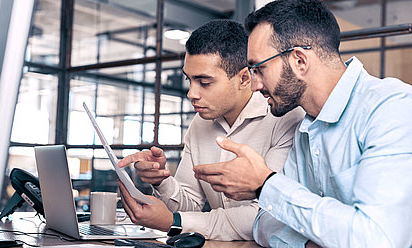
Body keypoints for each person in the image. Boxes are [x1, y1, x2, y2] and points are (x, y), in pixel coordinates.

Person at [193, 0, 412, 247]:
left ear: (299, 61)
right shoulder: (305, 127)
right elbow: (264, 222)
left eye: (259, 68)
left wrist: (265, 184)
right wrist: (310, 244)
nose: (254, 85)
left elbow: (377, 239)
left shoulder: (392, 108)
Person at [116, 19, 305, 241]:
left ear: (244, 78)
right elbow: (191, 206)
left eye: (204, 82)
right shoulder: (200, 123)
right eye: (189, 80)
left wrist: (174, 222)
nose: (191, 94)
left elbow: (268, 214)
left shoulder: (285, 116)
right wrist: (161, 179)